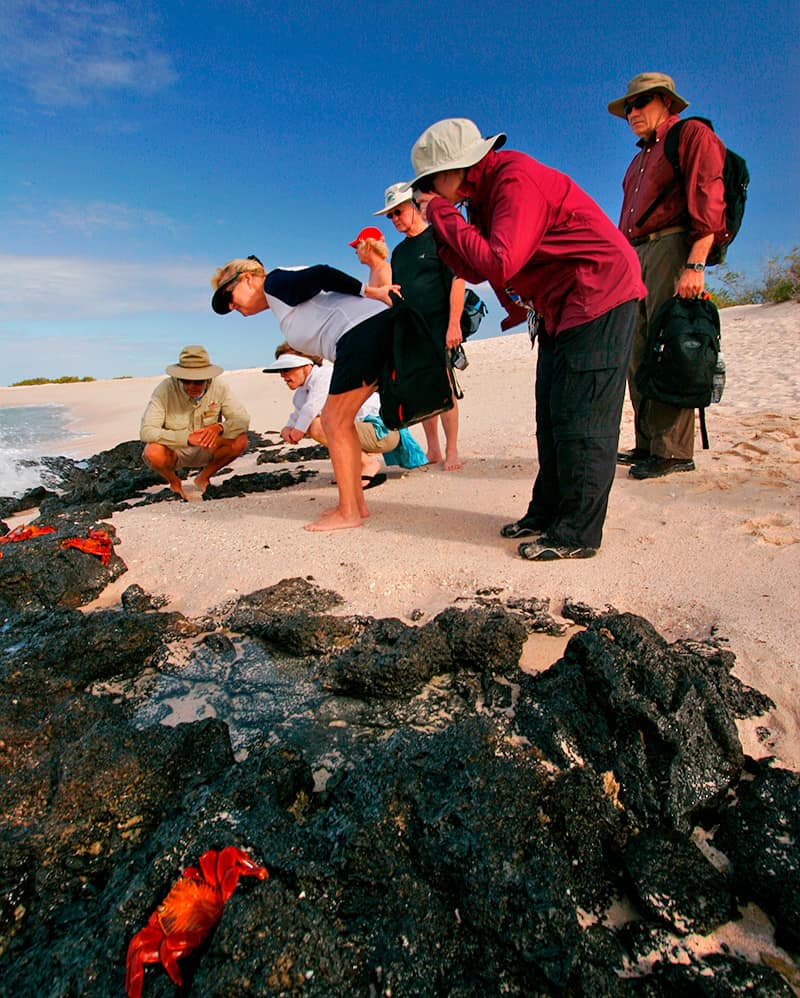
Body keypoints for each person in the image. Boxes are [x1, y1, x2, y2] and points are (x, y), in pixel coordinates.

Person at [408, 118, 646, 561]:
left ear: (455, 167)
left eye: (429, 182)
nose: (428, 192)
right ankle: (547, 513)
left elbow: (499, 262)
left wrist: (441, 213)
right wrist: (444, 227)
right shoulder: (480, 196)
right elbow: (474, 269)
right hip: (558, 305)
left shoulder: (514, 179)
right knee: (552, 416)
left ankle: (577, 534)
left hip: (599, 292)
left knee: (583, 420)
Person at [210, 255, 398, 531]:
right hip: (360, 338)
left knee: (334, 421)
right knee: (338, 421)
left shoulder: (274, 282)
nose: (230, 305)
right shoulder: (280, 302)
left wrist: (371, 291)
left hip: (361, 335)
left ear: (248, 278)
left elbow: (322, 274)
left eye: (229, 294)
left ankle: (349, 512)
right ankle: (355, 506)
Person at [609, 72, 727, 480]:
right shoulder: (638, 160)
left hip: (671, 245)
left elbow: (709, 197)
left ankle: (674, 452)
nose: (632, 113)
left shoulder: (690, 135)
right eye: (628, 108)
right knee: (636, 349)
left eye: (640, 104)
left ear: (664, 101)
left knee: (670, 346)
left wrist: (695, 263)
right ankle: (649, 445)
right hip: (635, 253)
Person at [375, 182, 465, 471]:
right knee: (422, 387)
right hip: (412, 329)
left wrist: (453, 324)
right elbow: (398, 293)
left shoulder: (438, 239)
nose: (395, 220)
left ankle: (452, 450)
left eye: (398, 212)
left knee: (445, 385)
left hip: (440, 325)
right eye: (390, 216)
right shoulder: (399, 253)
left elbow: (457, 281)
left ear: (414, 206)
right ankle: (434, 449)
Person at [263, 345, 417, 488]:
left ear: (306, 365)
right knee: (322, 424)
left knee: (318, 425)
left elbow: (311, 409)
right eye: (280, 370)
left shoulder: (325, 375)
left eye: (287, 368)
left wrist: (297, 431)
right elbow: (298, 413)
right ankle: (352, 469)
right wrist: (288, 428)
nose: (283, 375)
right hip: (364, 430)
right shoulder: (302, 392)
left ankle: (368, 464)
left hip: (383, 431)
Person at [140, 345, 249, 499]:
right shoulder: (165, 389)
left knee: (240, 440)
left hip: (208, 447)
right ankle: (174, 481)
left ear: (207, 378)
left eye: (198, 382)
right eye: (186, 381)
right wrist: (186, 438)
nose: (191, 386)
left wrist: (219, 427)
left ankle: (203, 477)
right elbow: (147, 431)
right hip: (175, 449)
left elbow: (242, 420)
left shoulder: (220, 387)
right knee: (152, 451)